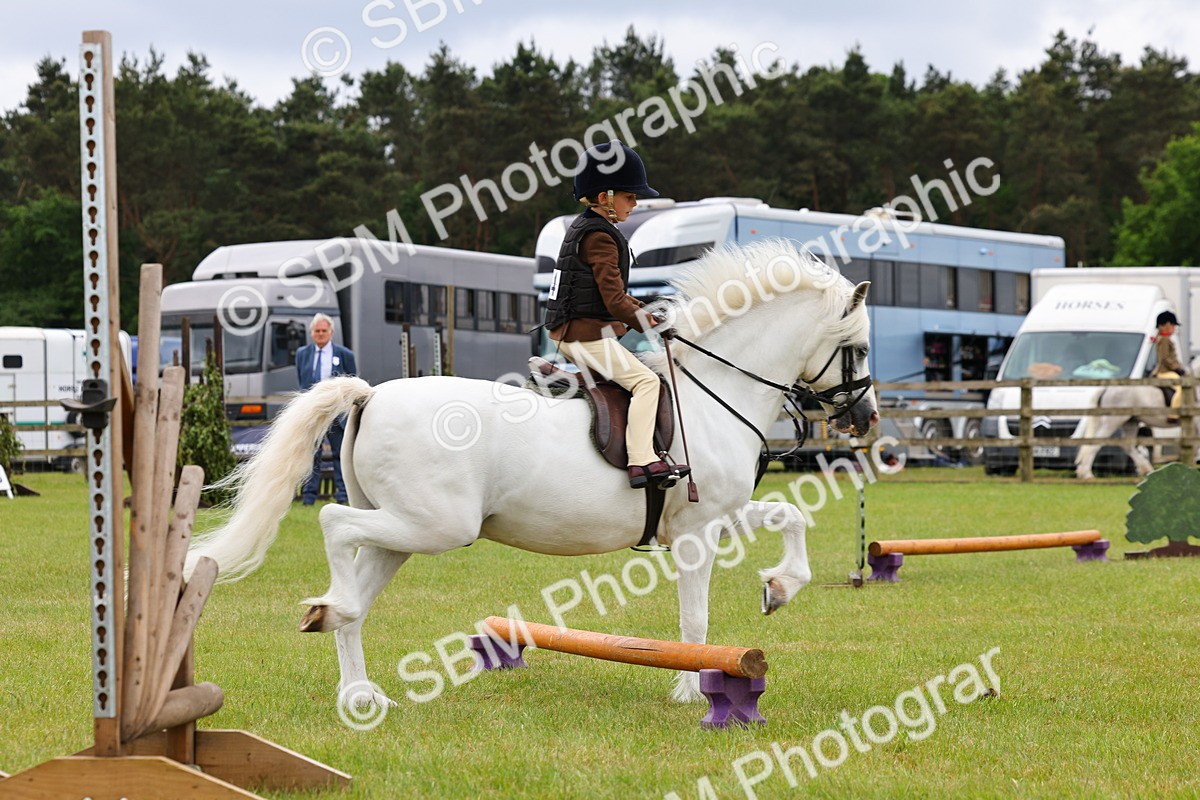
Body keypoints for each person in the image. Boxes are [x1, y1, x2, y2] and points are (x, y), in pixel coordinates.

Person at [544, 140, 688, 489]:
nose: (635, 204)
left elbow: (617, 296)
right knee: (646, 382)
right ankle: (641, 460)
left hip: (574, 331)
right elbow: (613, 301)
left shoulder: (588, 227)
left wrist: (647, 313)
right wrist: (647, 324)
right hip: (584, 334)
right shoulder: (600, 237)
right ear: (605, 196)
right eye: (629, 197)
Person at [296, 313, 357, 504]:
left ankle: (343, 495)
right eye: (317, 331)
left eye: (324, 330)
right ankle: (308, 498)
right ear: (312, 333)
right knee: (312, 455)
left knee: (341, 454)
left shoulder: (345, 354)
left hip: (336, 412)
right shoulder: (302, 354)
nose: (320, 334)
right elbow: (302, 382)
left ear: (331, 332)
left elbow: (352, 381)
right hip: (313, 412)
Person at [1153, 310, 1185, 421]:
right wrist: (1177, 368)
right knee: (1182, 387)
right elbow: (1165, 358)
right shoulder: (1164, 340)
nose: (1174, 328)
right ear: (1166, 325)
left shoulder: (1163, 338)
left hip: (1167, 370)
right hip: (1165, 372)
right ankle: (1173, 414)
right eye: (1173, 325)